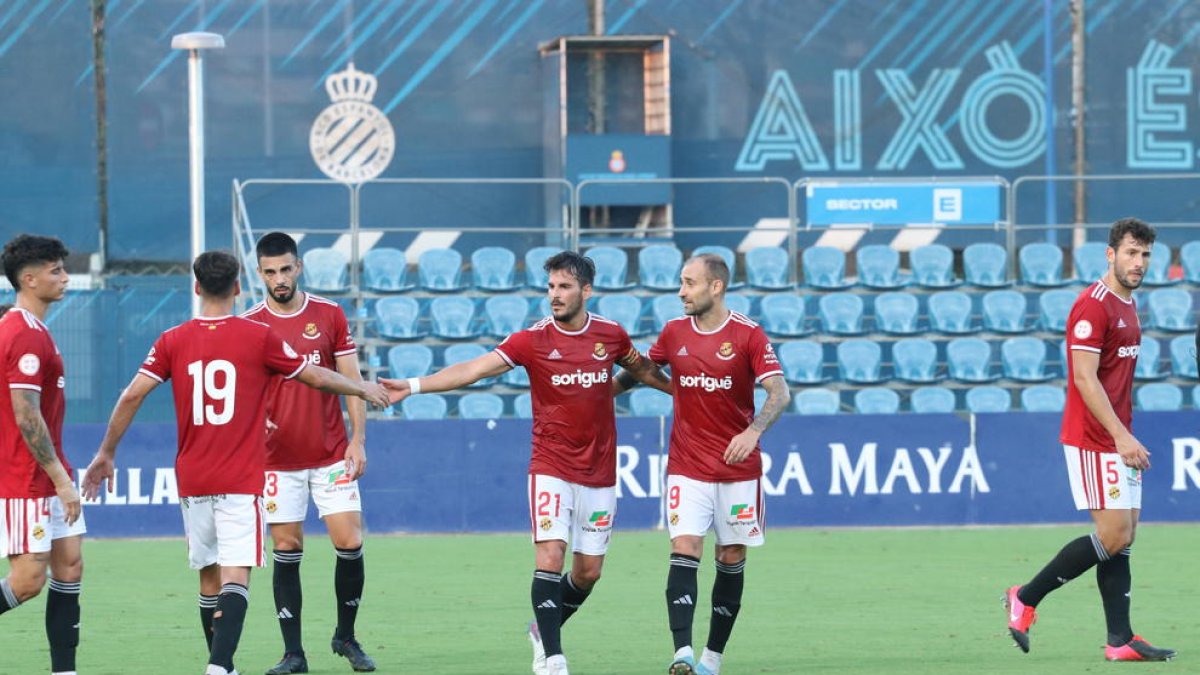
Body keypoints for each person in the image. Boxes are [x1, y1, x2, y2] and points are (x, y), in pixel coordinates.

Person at [81, 250, 390, 675]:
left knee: (208, 579)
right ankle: (221, 665)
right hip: (243, 476)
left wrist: (106, 452)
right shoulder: (256, 336)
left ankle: (225, 662)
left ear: (195, 287)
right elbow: (315, 375)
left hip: (192, 477)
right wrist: (361, 390)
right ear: (241, 285)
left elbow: (132, 394)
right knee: (236, 577)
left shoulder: (172, 339)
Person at [382, 250, 670, 675]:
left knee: (588, 573)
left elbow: (641, 368)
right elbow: (474, 369)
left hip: (600, 471)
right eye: (551, 286)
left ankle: (542, 630)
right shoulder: (531, 340)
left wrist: (684, 395)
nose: (554, 295)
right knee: (550, 555)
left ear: (586, 291)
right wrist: (413, 385)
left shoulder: (611, 335)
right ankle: (553, 658)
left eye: (564, 287)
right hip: (550, 466)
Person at [1004, 218, 1174, 662]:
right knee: (1114, 534)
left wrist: (1125, 431)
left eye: (1145, 255)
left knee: (1125, 535)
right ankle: (1025, 597)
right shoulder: (1092, 305)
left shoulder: (1129, 303)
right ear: (1110, 253)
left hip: (1118, 434)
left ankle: (1120, 640)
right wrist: (1120, 436)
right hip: (1095, 438)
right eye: (1131, 253)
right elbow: (1083, 377)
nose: (1139, 262)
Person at [616, 253, 789, 675]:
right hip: (687, 465)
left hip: (737, 471)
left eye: (689, 283)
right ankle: (682, 653)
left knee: (730, 557)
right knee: (685, 546)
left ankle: (712, 659)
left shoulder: (748, 335)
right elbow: (642, 369)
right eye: (680, 281)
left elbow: (779, 393)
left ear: (716, 286)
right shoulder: (674, 331)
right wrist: (598, 397)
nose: (680, 291)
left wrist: (751, 433)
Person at [242, 232, 375, 674]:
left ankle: (346, 636)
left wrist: (357, 440)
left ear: (298, 267)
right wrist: (252, 418)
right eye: (270, 272)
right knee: (287, 546)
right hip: (276, 460)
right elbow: (243, 391)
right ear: (259, 273)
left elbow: (352, 380)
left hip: (331, 453)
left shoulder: (329, 314)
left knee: (350, 542)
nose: (279, 279)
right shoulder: (250, 325)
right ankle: (293, 654)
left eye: (285, 269)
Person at [0, 234, 85, 675]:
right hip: (25, 477)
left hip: (47, 473)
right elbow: (25, 413)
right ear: (28, 279)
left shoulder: (36, 329)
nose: (65, 277)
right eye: (55, 271)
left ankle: (64, 672)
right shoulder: (21, 333)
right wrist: (61, 479)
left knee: (69, 568)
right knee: (29, 581)